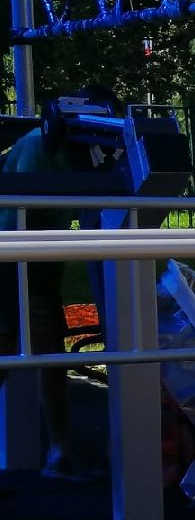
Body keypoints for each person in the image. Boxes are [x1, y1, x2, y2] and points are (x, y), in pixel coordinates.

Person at [0, 87, 117, 478]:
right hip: (14, 259)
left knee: (50, 354)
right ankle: (59, 450)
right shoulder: (41, 148)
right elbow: (28, 214)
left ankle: (59, 451)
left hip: (40, 259)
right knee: (23, 348)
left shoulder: (78, 151)